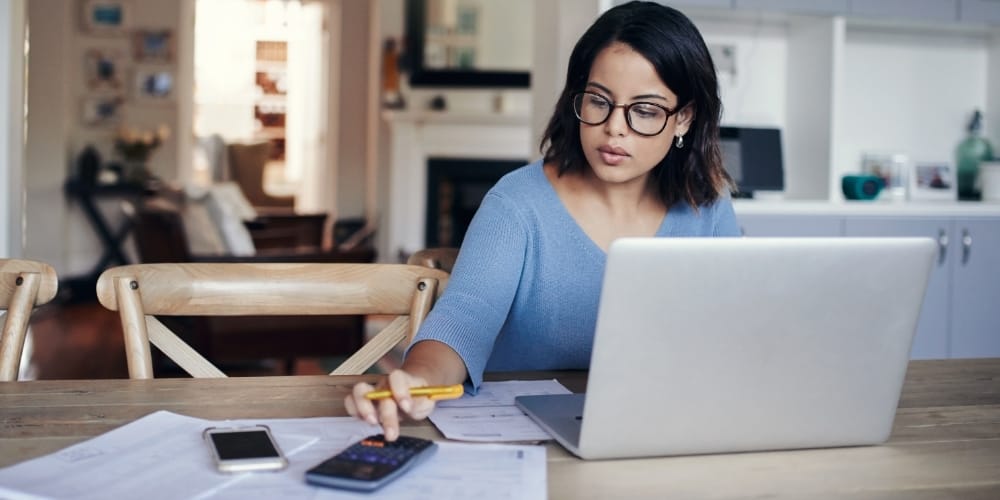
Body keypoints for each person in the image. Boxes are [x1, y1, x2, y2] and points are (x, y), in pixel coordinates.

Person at [345, 0, 740, 440]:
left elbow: (735, 334)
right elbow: (464, 319)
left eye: (645, 110)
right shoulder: (516, 204)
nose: (615, 128)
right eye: (599, 102)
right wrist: (417, 380)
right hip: (523, 440)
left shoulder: (708, 206)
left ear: (683, 118)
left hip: (659, 433)